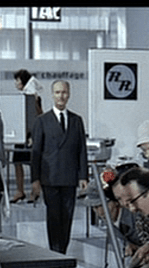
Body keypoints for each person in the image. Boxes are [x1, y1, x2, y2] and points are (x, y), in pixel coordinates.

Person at [30, 79, 88, 254]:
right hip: (50, 178)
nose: (61, 96)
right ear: (52, 94)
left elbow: (81, 150)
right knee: (54, 216)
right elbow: (36, 152)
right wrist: (35, 179)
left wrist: (83, 176)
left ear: (68, 94)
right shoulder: (42, 121)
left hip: (69, 178)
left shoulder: (76, 120)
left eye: (64, 92)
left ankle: (62, 249)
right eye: (57, 92)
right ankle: (55, 251)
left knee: (68, 217)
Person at [11, 69, 45, 203]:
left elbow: (39, 115)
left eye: (17, 80)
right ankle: (20, 191)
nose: (16, 83)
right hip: (20, 133)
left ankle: (34, 190)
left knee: (33, 164)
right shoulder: (20, 98)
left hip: (32, 134)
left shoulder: (35, 97)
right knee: (17, 162)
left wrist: (35, 101)